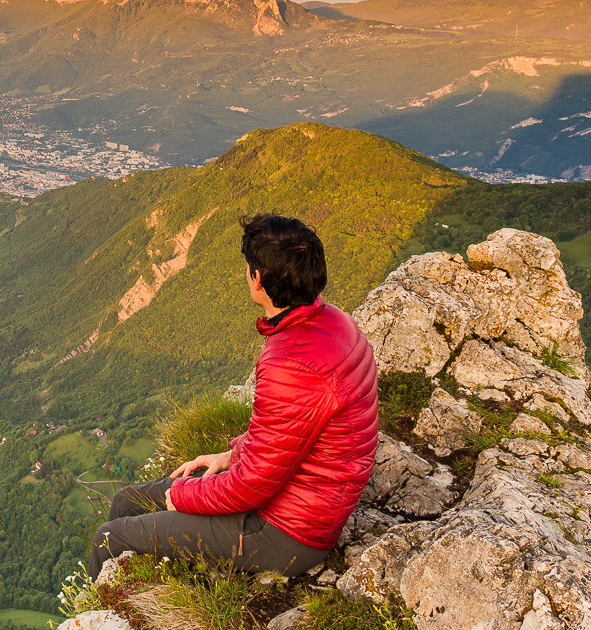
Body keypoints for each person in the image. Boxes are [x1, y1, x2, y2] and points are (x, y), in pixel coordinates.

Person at [88, 214, 378, 579]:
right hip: (299, 502)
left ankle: (108, 608)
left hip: (284, 531)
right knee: (126, 501)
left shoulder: (291, 362)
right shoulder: (332, 321)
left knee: (109, 538)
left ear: (258, 279)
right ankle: (140, 580)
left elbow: (251, 488)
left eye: (248, 267)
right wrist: (233, 454)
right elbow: (292, 432)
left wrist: (181, 497)